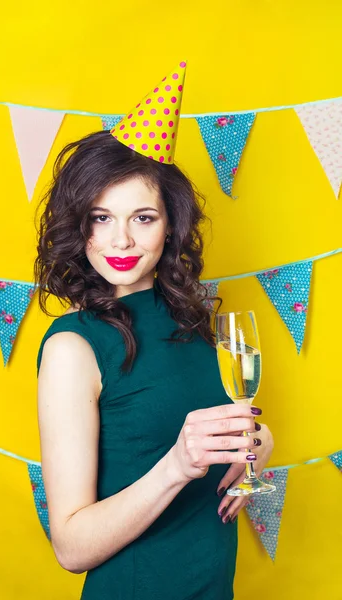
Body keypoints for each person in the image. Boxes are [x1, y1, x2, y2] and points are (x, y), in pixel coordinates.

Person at [34, 61, 274, 600]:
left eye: (142, 217)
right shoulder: (74, 347)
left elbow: (229, 428)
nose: (120, 239)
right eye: (100, 217)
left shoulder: (200, 326)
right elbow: (71, 548)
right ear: (79, 226)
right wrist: (177, 467)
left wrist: (259, 443)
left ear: (171, 227)